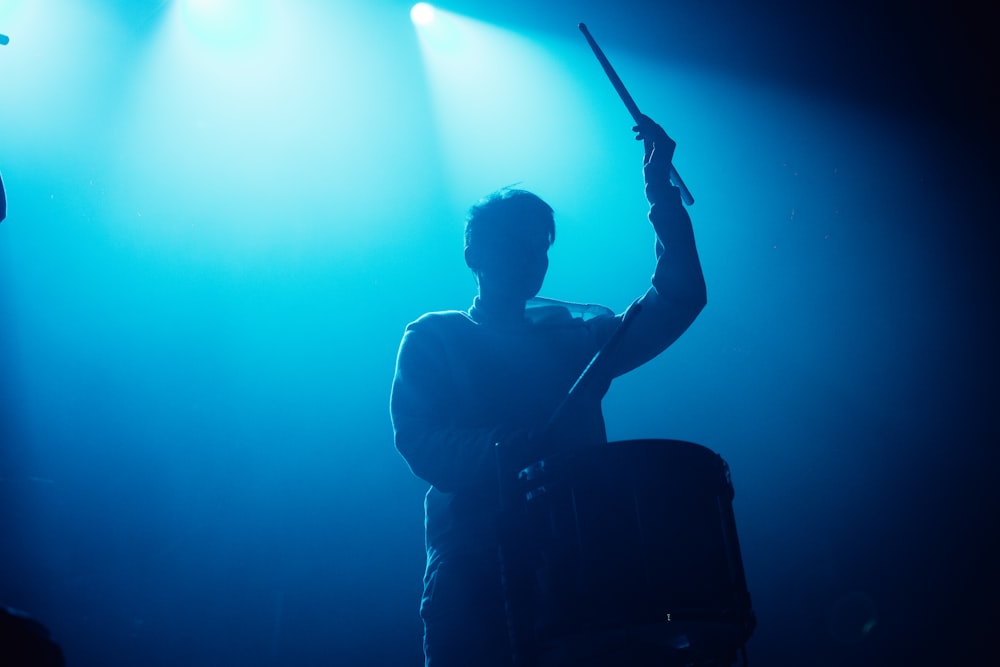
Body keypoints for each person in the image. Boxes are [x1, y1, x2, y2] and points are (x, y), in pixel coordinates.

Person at [390, 115, 707, 667]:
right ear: (473, 256)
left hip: (579, 561)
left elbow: (677, 299)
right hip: (476, 564)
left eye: (539, 247)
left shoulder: (575, 336)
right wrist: (506, 448)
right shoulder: (435, 335)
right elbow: (420, 442)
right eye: (514, 245)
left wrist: (662, 195)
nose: (531, 258)